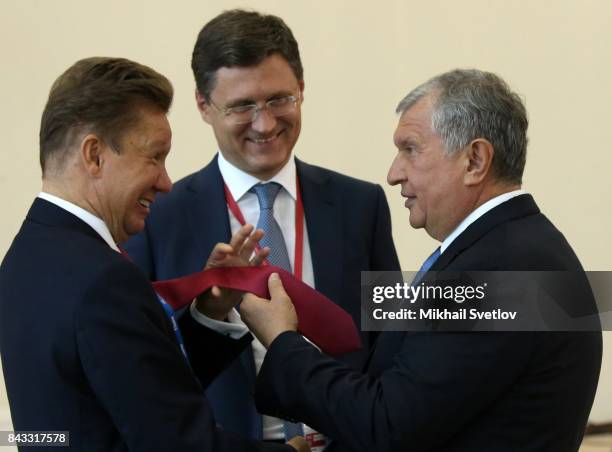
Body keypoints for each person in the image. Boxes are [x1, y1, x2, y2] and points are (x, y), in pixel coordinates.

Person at [239, 69, 603, 451]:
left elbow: (387, 426)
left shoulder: (496, 272)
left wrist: (282, 339)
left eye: (410, 149)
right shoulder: (521, 249)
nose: (394, 174)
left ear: (475, 160)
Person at [0, 57, 306, 452]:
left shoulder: (23, 257)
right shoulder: (103, 280)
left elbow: (139, 386)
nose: (165, 182)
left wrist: (210, 310)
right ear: (94, 155)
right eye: (155, 156)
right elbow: (174, 441)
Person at [123, 9, 400, 444]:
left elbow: (388, 343)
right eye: (242, 106)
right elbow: (146, 371)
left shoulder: (360, 204)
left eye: (278, 100)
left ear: (302, 90)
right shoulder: (156, 216)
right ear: (203, 105)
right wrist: (208, 311)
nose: (265, 123)